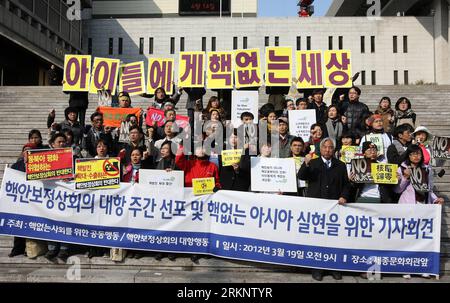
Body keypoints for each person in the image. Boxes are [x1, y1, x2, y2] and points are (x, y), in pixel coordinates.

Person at [298, 138, 350, 281]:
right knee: (317, 239)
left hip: (335, 208)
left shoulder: (340, 165)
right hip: (317, 208)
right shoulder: (313, 163)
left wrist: (344, 196)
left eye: (330, 147)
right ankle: (317, 269)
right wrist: (306, 163)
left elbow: (346, 184)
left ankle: (333, 268)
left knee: (334, 239)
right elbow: (301, 176)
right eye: (325, 147)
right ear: (320, 149)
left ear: (334, 149)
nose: (328, 150)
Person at [394, 144, 445, 279]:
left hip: (424, 206)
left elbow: (430, 189)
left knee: (422, 238)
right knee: (407, 237)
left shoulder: (427, 169)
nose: (416, 156)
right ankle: (405, 267)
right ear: (408, 156)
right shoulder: (402, 168)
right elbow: (397, 190)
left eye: (418, 154)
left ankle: (422, 267)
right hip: (408, 206)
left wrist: (435, 199)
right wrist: (405, 177)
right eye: (413, 154)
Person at [45, 133, 71, 262]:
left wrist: (71, 177)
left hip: (66, 195)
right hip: (50, 195)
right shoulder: (44, 158)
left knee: (64, 221)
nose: (62, 144)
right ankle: (52, 248)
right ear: (53, 144)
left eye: (64, 142)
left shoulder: (72, 156)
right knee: (51, 220)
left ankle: (64, 249)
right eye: (59, 142)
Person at [8, 142, 37, 257]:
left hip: (35, 201)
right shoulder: (16, 166)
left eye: (30, 150)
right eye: (25, 150)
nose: (27, 152)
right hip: (20, 200)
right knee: (18, 224)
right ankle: (17, 248)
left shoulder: (41, 166)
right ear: (22, 152)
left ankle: (29, 249)